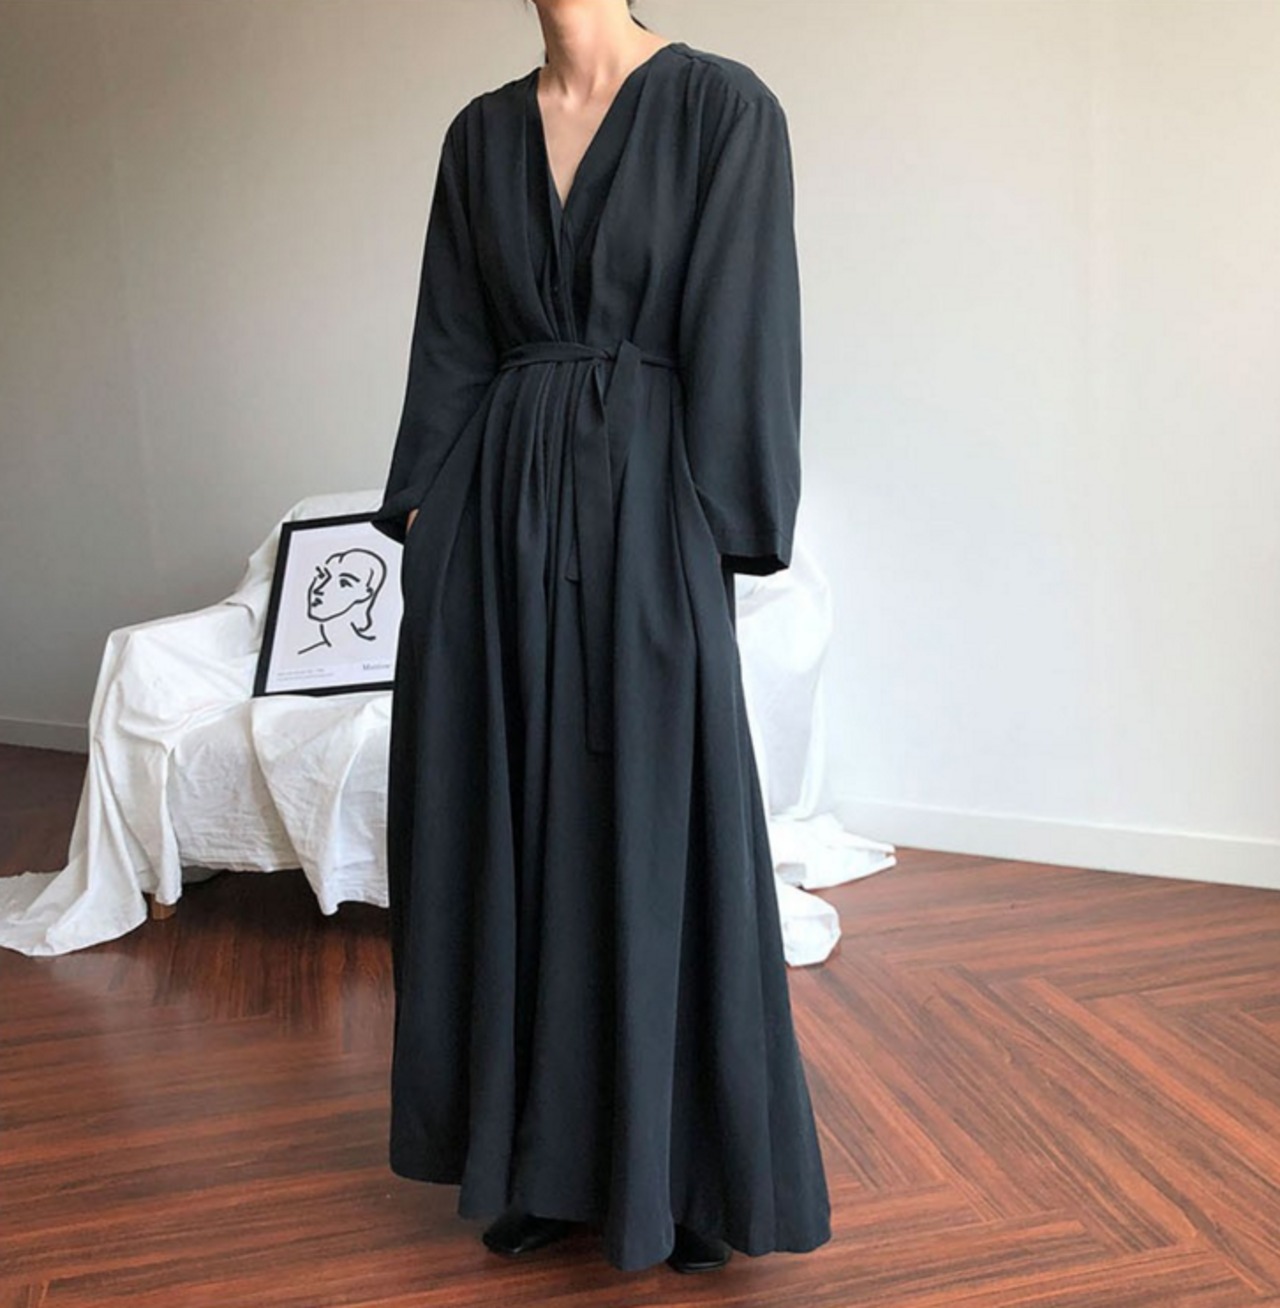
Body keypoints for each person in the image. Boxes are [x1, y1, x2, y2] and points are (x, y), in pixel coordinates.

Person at [370, 0, 832, 1276]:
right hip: (492, 526)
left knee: (651, 833)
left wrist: (713, 538)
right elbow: (448, 345)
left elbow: (745, 330)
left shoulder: (720, 108)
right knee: (509, 839)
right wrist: (427, 518)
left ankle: (679, 1175)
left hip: (647, 512)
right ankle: (536, 1163)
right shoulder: (478, 137)